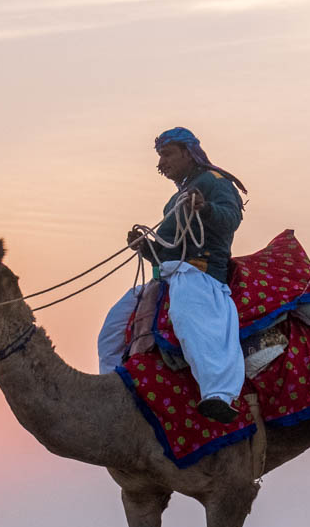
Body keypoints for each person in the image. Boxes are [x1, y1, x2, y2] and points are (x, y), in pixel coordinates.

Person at [96, 127, 248, 422]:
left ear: (187, 152)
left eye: (166, 155)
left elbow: (231, 220)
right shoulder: (176, 198)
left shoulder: (216, 183)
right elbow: (170, 251)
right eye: (159, 157)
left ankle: (219, 394)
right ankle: (112, 390)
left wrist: (204, 209)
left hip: (200, 274)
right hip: (169, 274)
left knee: (187, 318)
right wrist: (145, 248)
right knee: (114, 326)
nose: (161, 164)